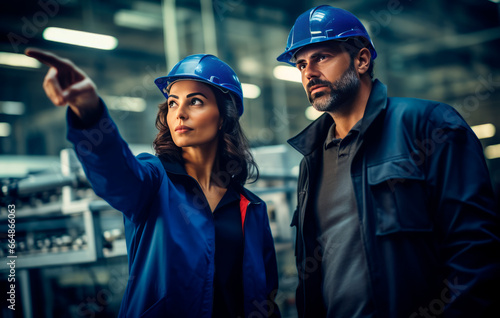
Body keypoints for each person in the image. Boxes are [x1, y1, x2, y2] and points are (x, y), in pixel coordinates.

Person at [276, 5, 500, 318]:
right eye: (300, 64)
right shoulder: (311, 161)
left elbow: (475, 251)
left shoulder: (428, 125)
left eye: (322, 57)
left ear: (362, 60)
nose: (309, 72)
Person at [26, 48, 281, 318]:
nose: (179, 113)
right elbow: (114, 175)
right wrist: (90, 112)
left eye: (195, 101)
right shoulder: (153, 181)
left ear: (223, 116)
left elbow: (265, 296)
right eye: (172, 103)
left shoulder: (251, 208)